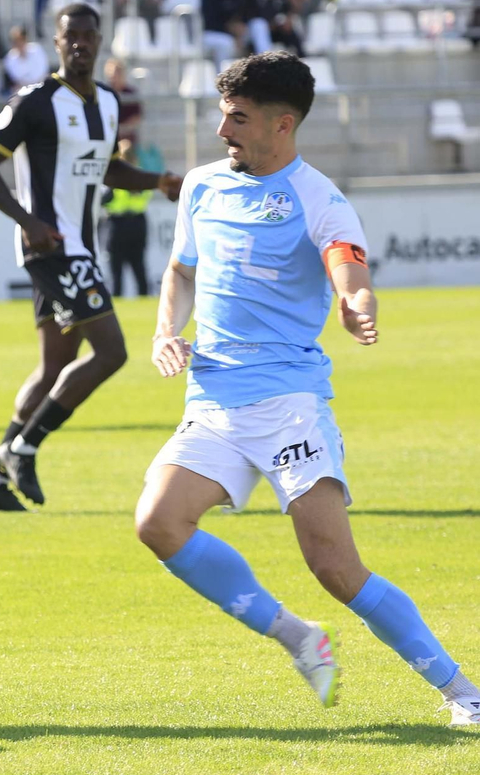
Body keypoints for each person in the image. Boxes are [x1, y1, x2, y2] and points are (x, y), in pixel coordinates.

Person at [139, 51, 480, 728]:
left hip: (288, 405)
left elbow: (346, 266)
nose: (221, 131)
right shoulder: (204, 187)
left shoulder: (318, 197)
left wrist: (358, 304)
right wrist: (163, 332)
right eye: (223, 114)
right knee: (159, 523)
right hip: (212, 400)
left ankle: (463, 691)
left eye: (237, 119)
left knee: (335, 566)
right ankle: (298, 636)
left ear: (282, 125)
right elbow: (180, 272)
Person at [0, 3, 179, 511]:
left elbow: (107, 171)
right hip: (52, 250)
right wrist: (28, 222)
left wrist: (159, 181)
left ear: (100, 40)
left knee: (54, 366)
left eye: (88, 35)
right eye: (70, 36)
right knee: (112, 352)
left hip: (82, 247)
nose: (80, 43)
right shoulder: (35, 101)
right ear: (56, 44)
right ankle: (25, 447)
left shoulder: (107, 102)